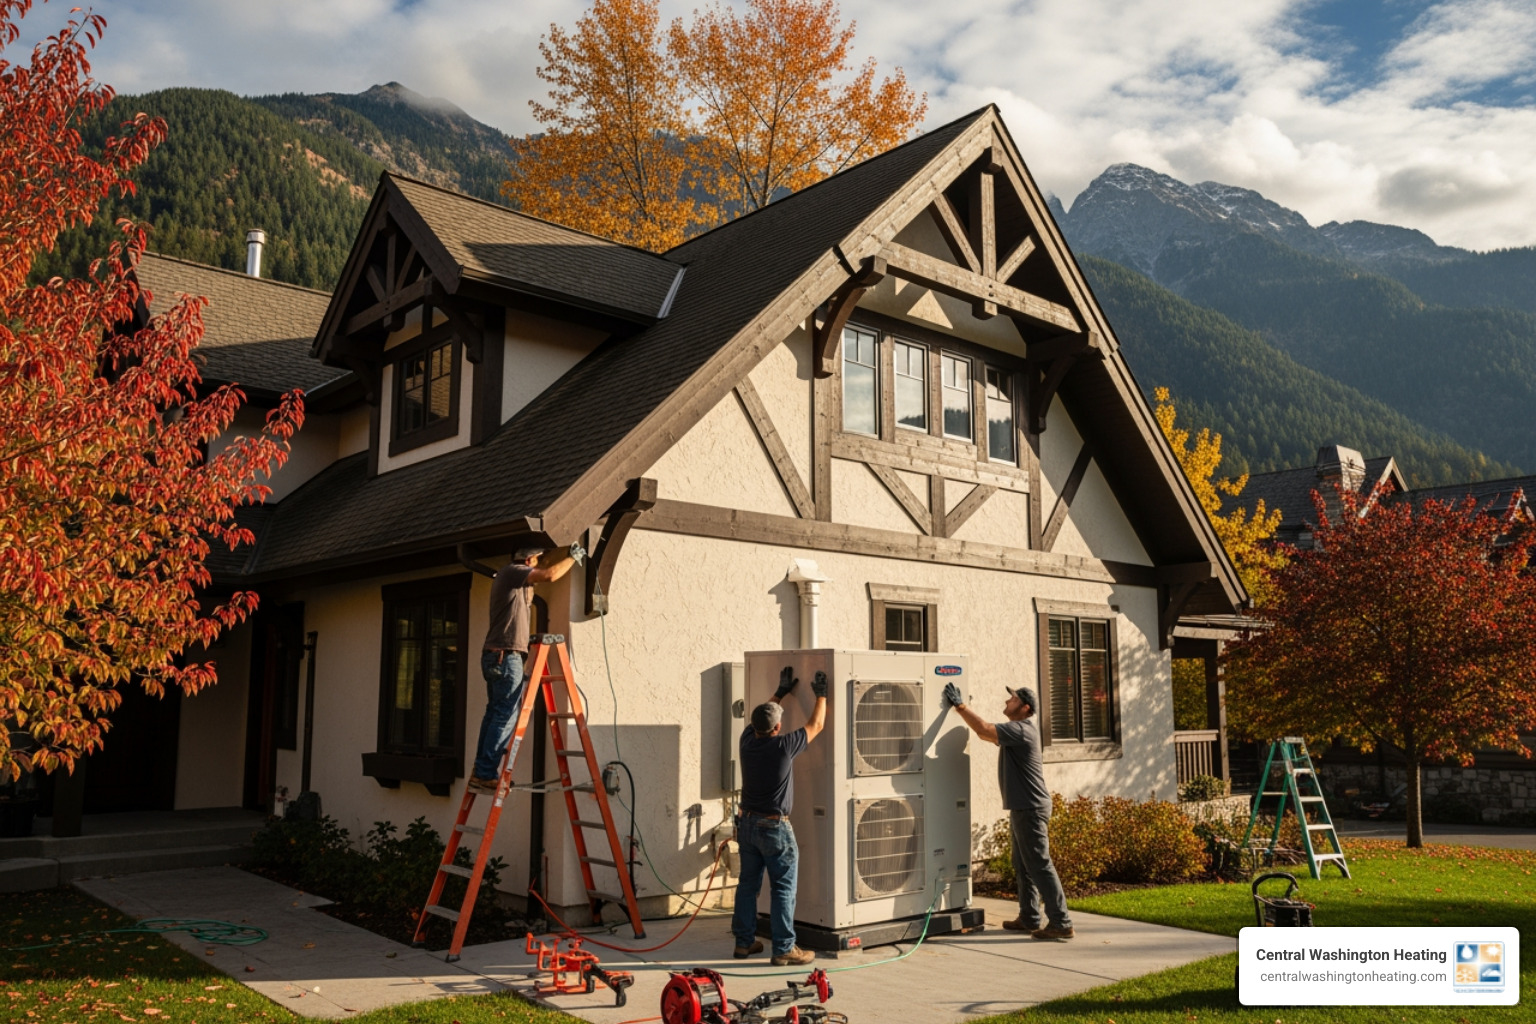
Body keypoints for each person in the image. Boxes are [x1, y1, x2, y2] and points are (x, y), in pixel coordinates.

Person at [943, 681, 1074, 940]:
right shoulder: (1017, 731)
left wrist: (960, 706)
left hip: (1030, 807)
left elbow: (983, 728)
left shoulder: (1022, 730)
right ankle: (1029, 917)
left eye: (1011, 699)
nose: (1006, 702)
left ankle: (1061, 921)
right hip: (1023, 806)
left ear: (1025, 708)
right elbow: (984, 734)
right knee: (1023, 865)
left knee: (1039, 864)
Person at [731, 666, 827, 966]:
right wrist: (822, 694)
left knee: (747, 885)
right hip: (774, 829)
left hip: (746, 825)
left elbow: (762, 717)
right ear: (777, 728)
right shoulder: (783, 747)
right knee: (782, 887)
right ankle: (784, 948)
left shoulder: (746, 741)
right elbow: (817, 724)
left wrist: (780, 692)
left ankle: (744, 943)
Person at [468, 545, 579, 794]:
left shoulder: (515, 581)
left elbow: (544, 572)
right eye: (538, 560)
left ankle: (481, 770)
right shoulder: (513, 572)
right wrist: (573, 557)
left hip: (500, 655)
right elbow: (550, 575)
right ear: (529, 559)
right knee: (504, 714)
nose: (541, 564)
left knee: (495, 712)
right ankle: (485, 773)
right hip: (505, 656)